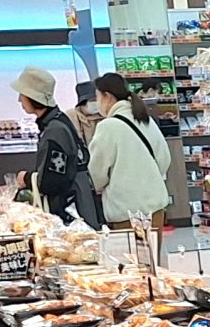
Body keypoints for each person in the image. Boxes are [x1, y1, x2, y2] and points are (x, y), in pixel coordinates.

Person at [14, 65, 99, 228]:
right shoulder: (59, 121)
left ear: (33, 97)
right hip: (81, 202)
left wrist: (26, 178)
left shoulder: (54, 131)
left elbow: (52, 181)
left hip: (72, 212)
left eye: (22, 94)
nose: (19, 100)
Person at [88, 72, 173, 228]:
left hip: (125, 210)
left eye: (97, 97)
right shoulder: (145, 119)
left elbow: (96, 173)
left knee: (129, 246)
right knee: (153, 245)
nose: (97, 102)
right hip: (155, 206)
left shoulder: (108, 126)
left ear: (107, 96)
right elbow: (164, 160)